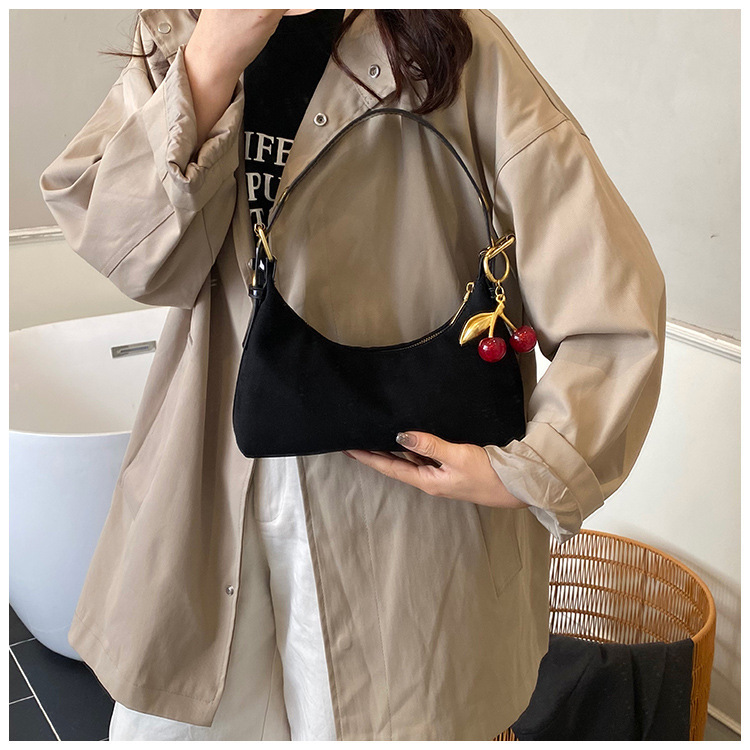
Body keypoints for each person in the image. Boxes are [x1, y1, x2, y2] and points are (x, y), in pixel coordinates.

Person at [39, 9, 667, 741]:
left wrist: (540, 464)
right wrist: (206, 66)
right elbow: (126, 254)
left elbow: (612, 297)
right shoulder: (181, 32)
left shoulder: (453, 41)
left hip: (405, 513)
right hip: (206, 489)